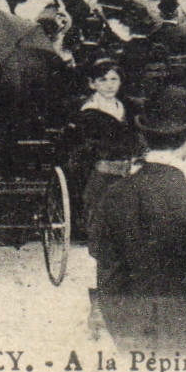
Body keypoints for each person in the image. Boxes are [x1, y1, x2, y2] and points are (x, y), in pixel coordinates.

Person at [91, 86, 186, 355]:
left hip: (131, 335)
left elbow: (108, 277)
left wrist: (123, 333)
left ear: (144, 135)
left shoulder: (114, 194)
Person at [72, 59, 139, 242]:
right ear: (92, 84)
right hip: (100, 171)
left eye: (113, 79)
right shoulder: (90, 111)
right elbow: (88, 146)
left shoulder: (125, 107)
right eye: (102, 80)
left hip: (126, 167)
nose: (109, 85)